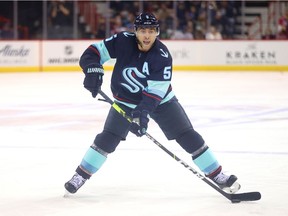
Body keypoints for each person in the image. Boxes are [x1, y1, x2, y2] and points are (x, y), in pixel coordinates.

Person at [64, 13, 239, 194]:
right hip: (125, 101)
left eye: (151, 31)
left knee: (186, 135)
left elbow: (154, 94)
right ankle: (80, 176)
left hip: (161, 101)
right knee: (107, 139)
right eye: (142, 31)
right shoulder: (122, 41)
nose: (147, 35)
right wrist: (92, 70)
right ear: (135, 32)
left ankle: (218, 174)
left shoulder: (162, 56)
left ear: (157, 32)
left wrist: (142, 115)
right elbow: (93, 52)